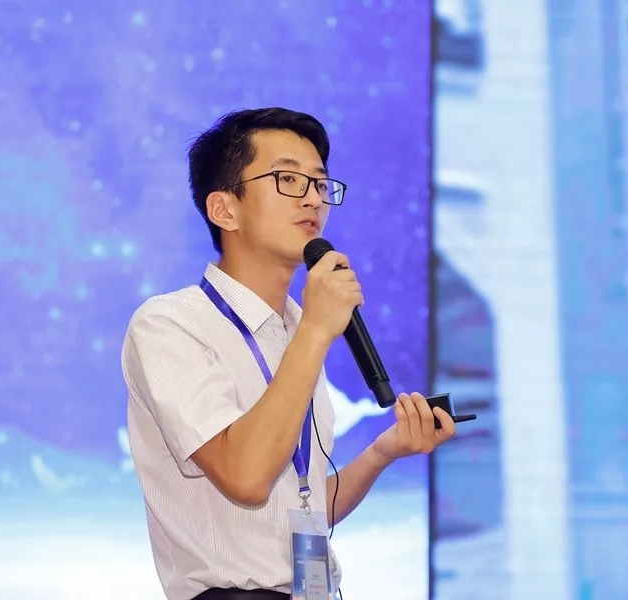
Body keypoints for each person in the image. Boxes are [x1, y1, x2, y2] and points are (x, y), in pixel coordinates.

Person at [121, 107, 456, 600]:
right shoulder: (170, 324)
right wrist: (317, 331)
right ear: (224, 210)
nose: (313, 198)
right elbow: (246, 476)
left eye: (319, 183)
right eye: (288, 179)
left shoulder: (297, 327)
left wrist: (384, 452)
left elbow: (301, 507)